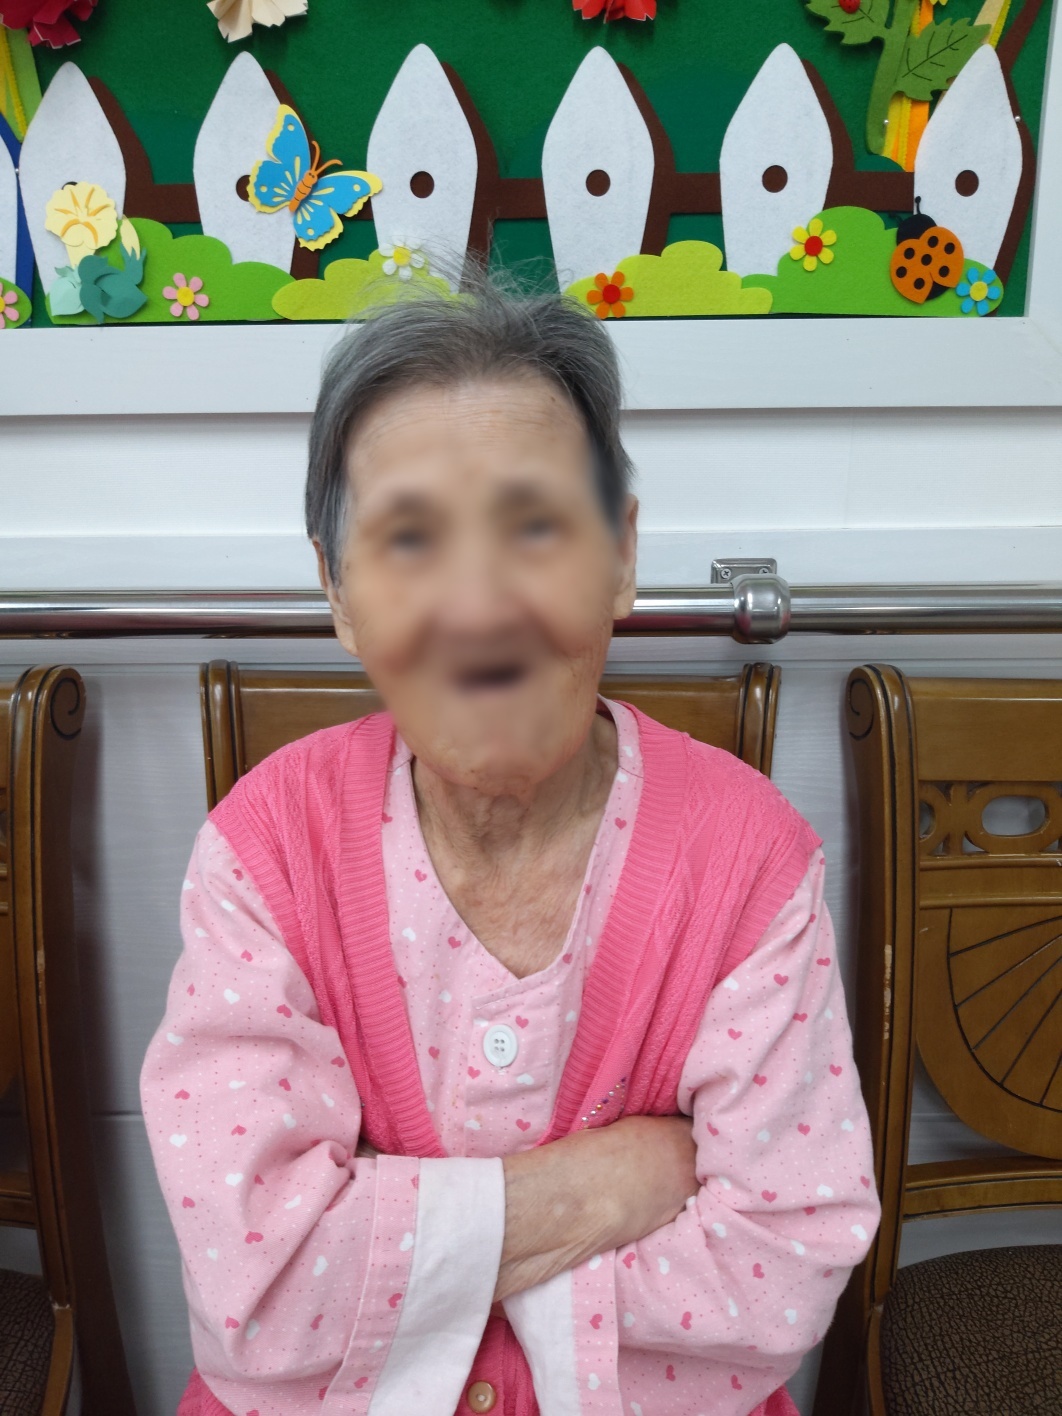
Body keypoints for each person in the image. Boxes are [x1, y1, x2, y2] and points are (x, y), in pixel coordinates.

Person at [141, 278, 880, 1416]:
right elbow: (262, 1291)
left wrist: (388, 1241)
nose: (479, 607)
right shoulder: (267, 848)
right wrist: (603, 1188)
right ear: (339, 592)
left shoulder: (748, 862)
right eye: (410, 540)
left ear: (620, 556)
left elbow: (778, 1273)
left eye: (535, 527)